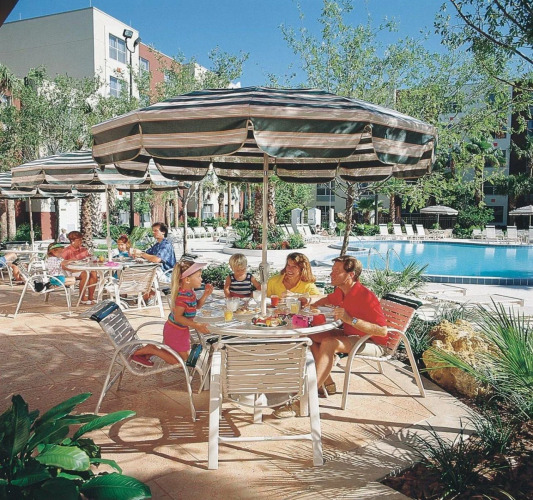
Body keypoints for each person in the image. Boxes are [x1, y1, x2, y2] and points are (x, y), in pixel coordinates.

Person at [273, 255, 387, 419]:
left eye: (337, 271)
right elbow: (324, 299)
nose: (331, 274)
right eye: (332, 270)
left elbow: (382, 331)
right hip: (351, 334)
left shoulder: (365, 296)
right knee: (308, 334)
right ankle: (327, 381)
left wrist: (351, 320)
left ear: (350, 275)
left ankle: (303, 402)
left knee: (329, 343)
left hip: (372, 341)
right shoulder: (341, 292)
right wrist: (307, 302)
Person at [131, 260, 214, 366]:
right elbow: (178, 317)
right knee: (182, 362)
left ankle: (148, 353)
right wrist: (196, 325)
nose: (201, 279)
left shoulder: (189, 293)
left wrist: (206, 294)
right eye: (198, 276)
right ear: (187, 280)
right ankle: (152, 350)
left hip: (180, 331)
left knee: (179, 358)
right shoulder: (182, 297)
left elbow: (196, 305)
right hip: (175, 332)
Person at [61, 231, 98, 305]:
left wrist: (92, 259)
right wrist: (72, 268)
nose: (81, 242)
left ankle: (91, 297)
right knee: (85, 274)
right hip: (71, 271)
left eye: (81, 239)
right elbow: (62, 265)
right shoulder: (66, 251)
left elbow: (89, 260)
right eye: (79, 240)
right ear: (72, 241)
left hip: (84, 269)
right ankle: (82, 297)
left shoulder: (83, 250)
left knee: (94, 273)